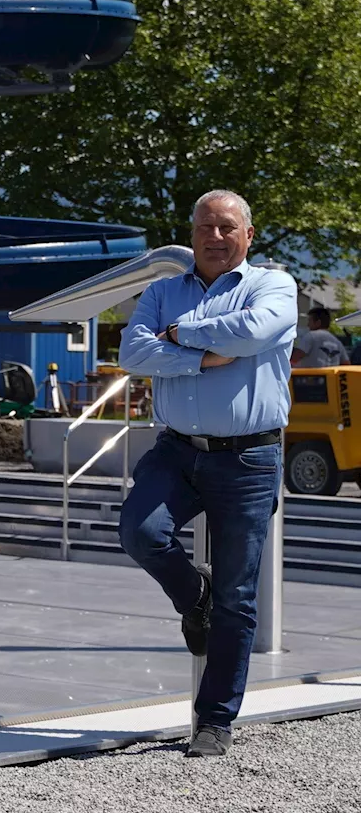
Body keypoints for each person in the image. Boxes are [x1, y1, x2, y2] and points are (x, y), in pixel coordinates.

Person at [118, 189, 296, 758]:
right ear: (191, 234)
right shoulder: (161, 290)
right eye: (204, 228)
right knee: (140, 533)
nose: (214, 238)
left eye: (225, 227)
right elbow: (131, 355)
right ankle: (194, 595)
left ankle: (215, 721)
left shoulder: (275, 285)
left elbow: (252, 334)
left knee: (239, 597)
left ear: (248, 234)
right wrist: (201, 354)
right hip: (176, 450)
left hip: (248, 458)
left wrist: (177, 334)